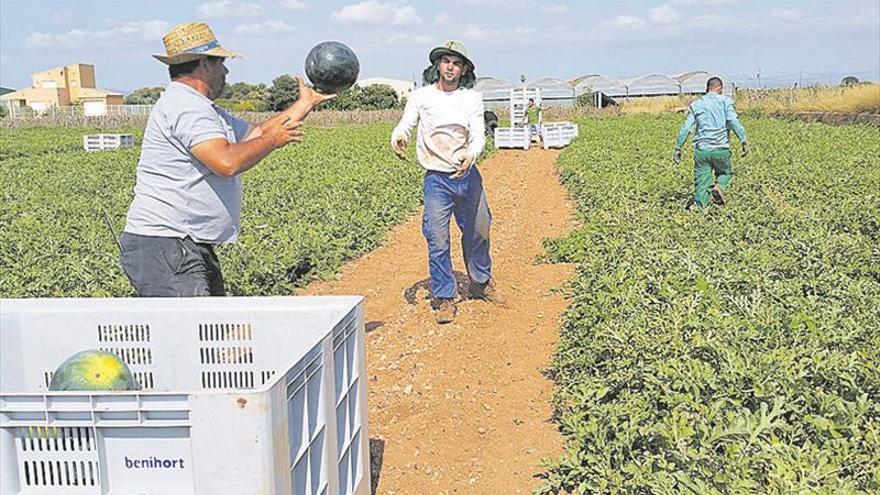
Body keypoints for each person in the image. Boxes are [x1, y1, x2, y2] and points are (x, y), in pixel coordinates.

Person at [120, 22, 332, 296]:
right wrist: (273, 141)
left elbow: (258, 133)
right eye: (221, 63)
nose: (226, 71)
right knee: (191, 333)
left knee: (207, 331)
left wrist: (305, 103)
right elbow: (226, 162)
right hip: (167, 244)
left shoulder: (202, 109)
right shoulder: (186, 108)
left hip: (181, 244)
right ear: (203, 65)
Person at [390, 40, 506, 324]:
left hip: (467, 175)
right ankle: (444, 296)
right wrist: (399, 136)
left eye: (456, 62)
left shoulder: (471, 99)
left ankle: (480, 281)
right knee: (437, 237)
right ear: (437, 65)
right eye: (445, 61)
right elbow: (406, 123)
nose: (450, 66)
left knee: (480, 230)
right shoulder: (421, 96)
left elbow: (478, 133)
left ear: (463, 69)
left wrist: (472, 153)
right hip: (437, 180)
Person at [673, 76, 749, 208]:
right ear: (719, 88)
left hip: (702, 150)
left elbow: (686, 128)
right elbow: (733, 122)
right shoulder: (725, 102)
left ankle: (700, 210)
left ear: (707, 89)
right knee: (725, 173)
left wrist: (678, 147)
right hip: (721, 149)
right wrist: (743, 139)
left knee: (702, 182)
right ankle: (719, 187)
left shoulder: (697, 105)